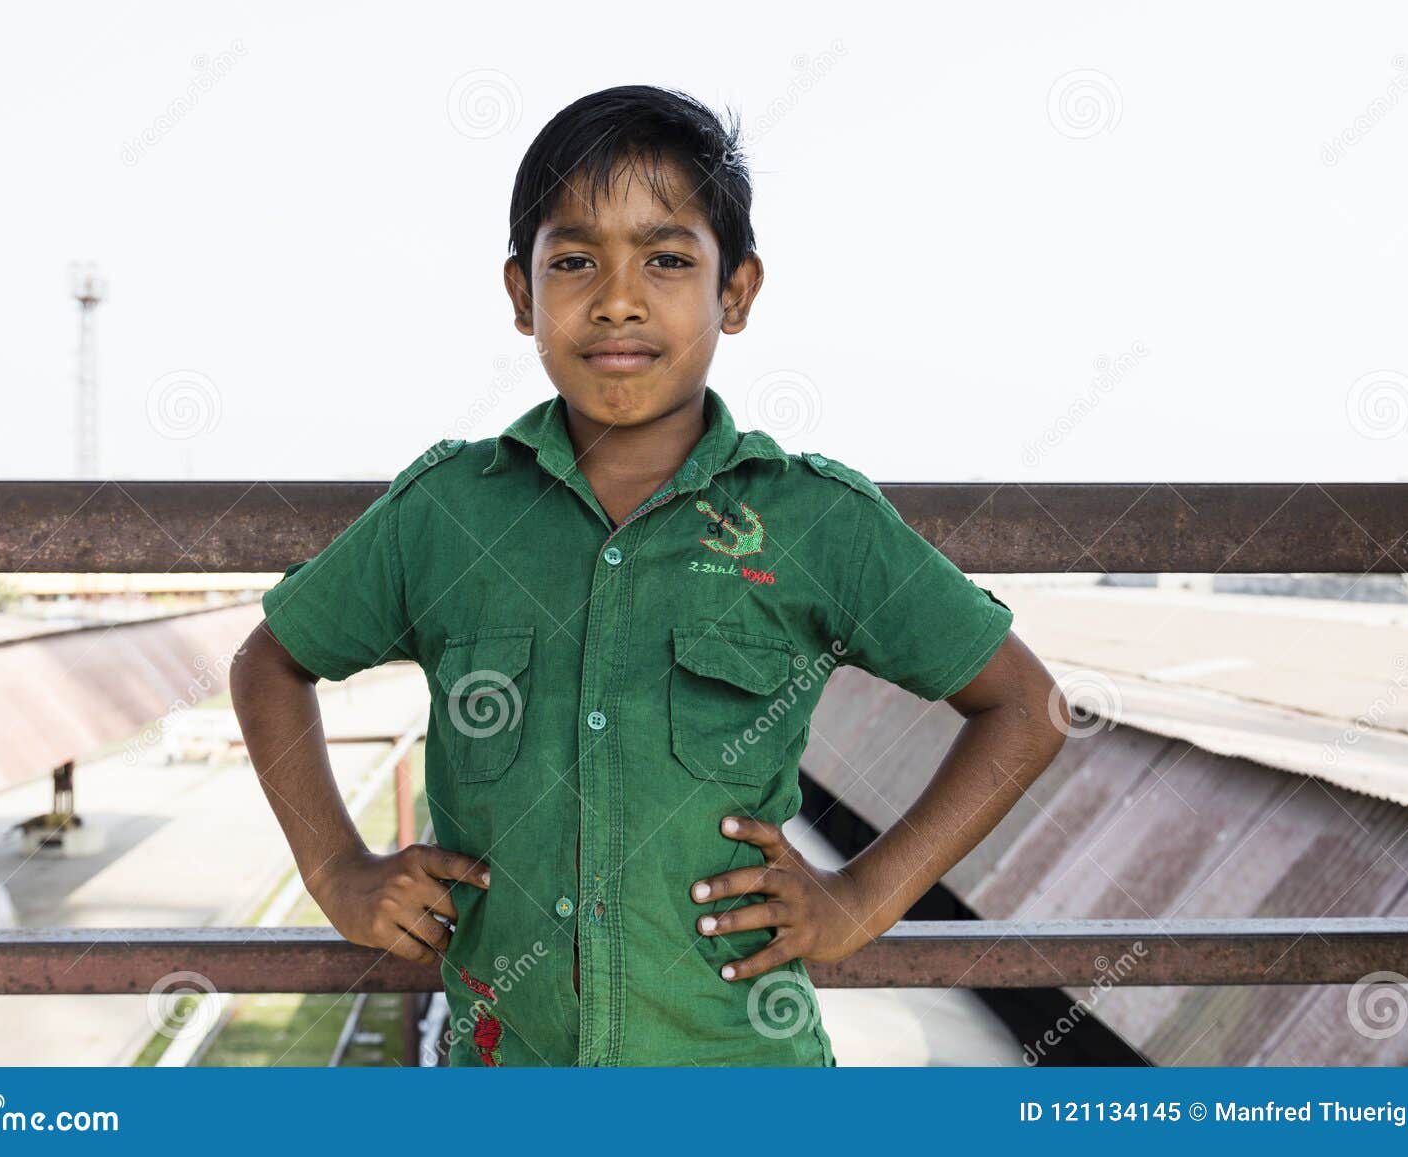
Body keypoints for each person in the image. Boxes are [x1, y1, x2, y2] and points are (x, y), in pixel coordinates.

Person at [230, 84, 1069, 1067]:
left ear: (736, 292)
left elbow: (1024, 705)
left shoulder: (812, 521)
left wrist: (859, 898)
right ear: (520, 294)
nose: (617, 297)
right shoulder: (448, 510)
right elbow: (269, 663)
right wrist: (336, 867)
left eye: (666, 259)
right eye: (575, 259)